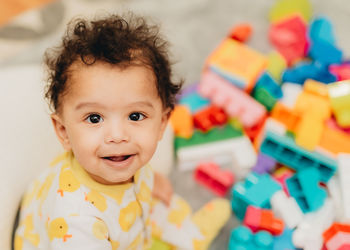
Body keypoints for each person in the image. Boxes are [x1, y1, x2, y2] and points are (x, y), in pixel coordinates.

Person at [14, 13, 230, 250]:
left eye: (135, 116)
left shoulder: (120, 157)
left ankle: (188, 234)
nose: (117, 136)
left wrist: (153, 180)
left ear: (162, 123)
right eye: (94, 118)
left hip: (124, 215)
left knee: (165, 209)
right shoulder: (76, 223)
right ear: (64, 131)